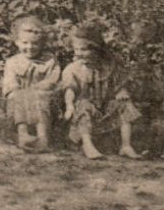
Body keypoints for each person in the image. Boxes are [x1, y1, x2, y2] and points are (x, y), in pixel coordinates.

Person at [60, 23, 144, 160]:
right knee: (83, 104)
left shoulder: (108, 67)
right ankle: (87, 145)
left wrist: (121, 91)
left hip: (104, 112)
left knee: (124, 104)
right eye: (77, 49)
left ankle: (126, 145)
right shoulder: (73, 69)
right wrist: (69, 105)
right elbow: (70, 89)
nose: (79, 53)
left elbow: (117, 85)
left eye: (84, 49)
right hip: (82, 116)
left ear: (97, 50)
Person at [1, 15, 61, 151]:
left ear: (42, 43)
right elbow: (10, 84)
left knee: (40, 97)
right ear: (17, 42)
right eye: (25, 43)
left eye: (35, 43)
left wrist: (36, 90)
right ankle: (23, 134)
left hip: (43, 99)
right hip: (18, 103)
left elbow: (52, 81)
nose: (30, 47)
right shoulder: (13, 62)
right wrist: (21, 92)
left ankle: (43, 138)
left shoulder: (50, 60)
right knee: (18, 96)